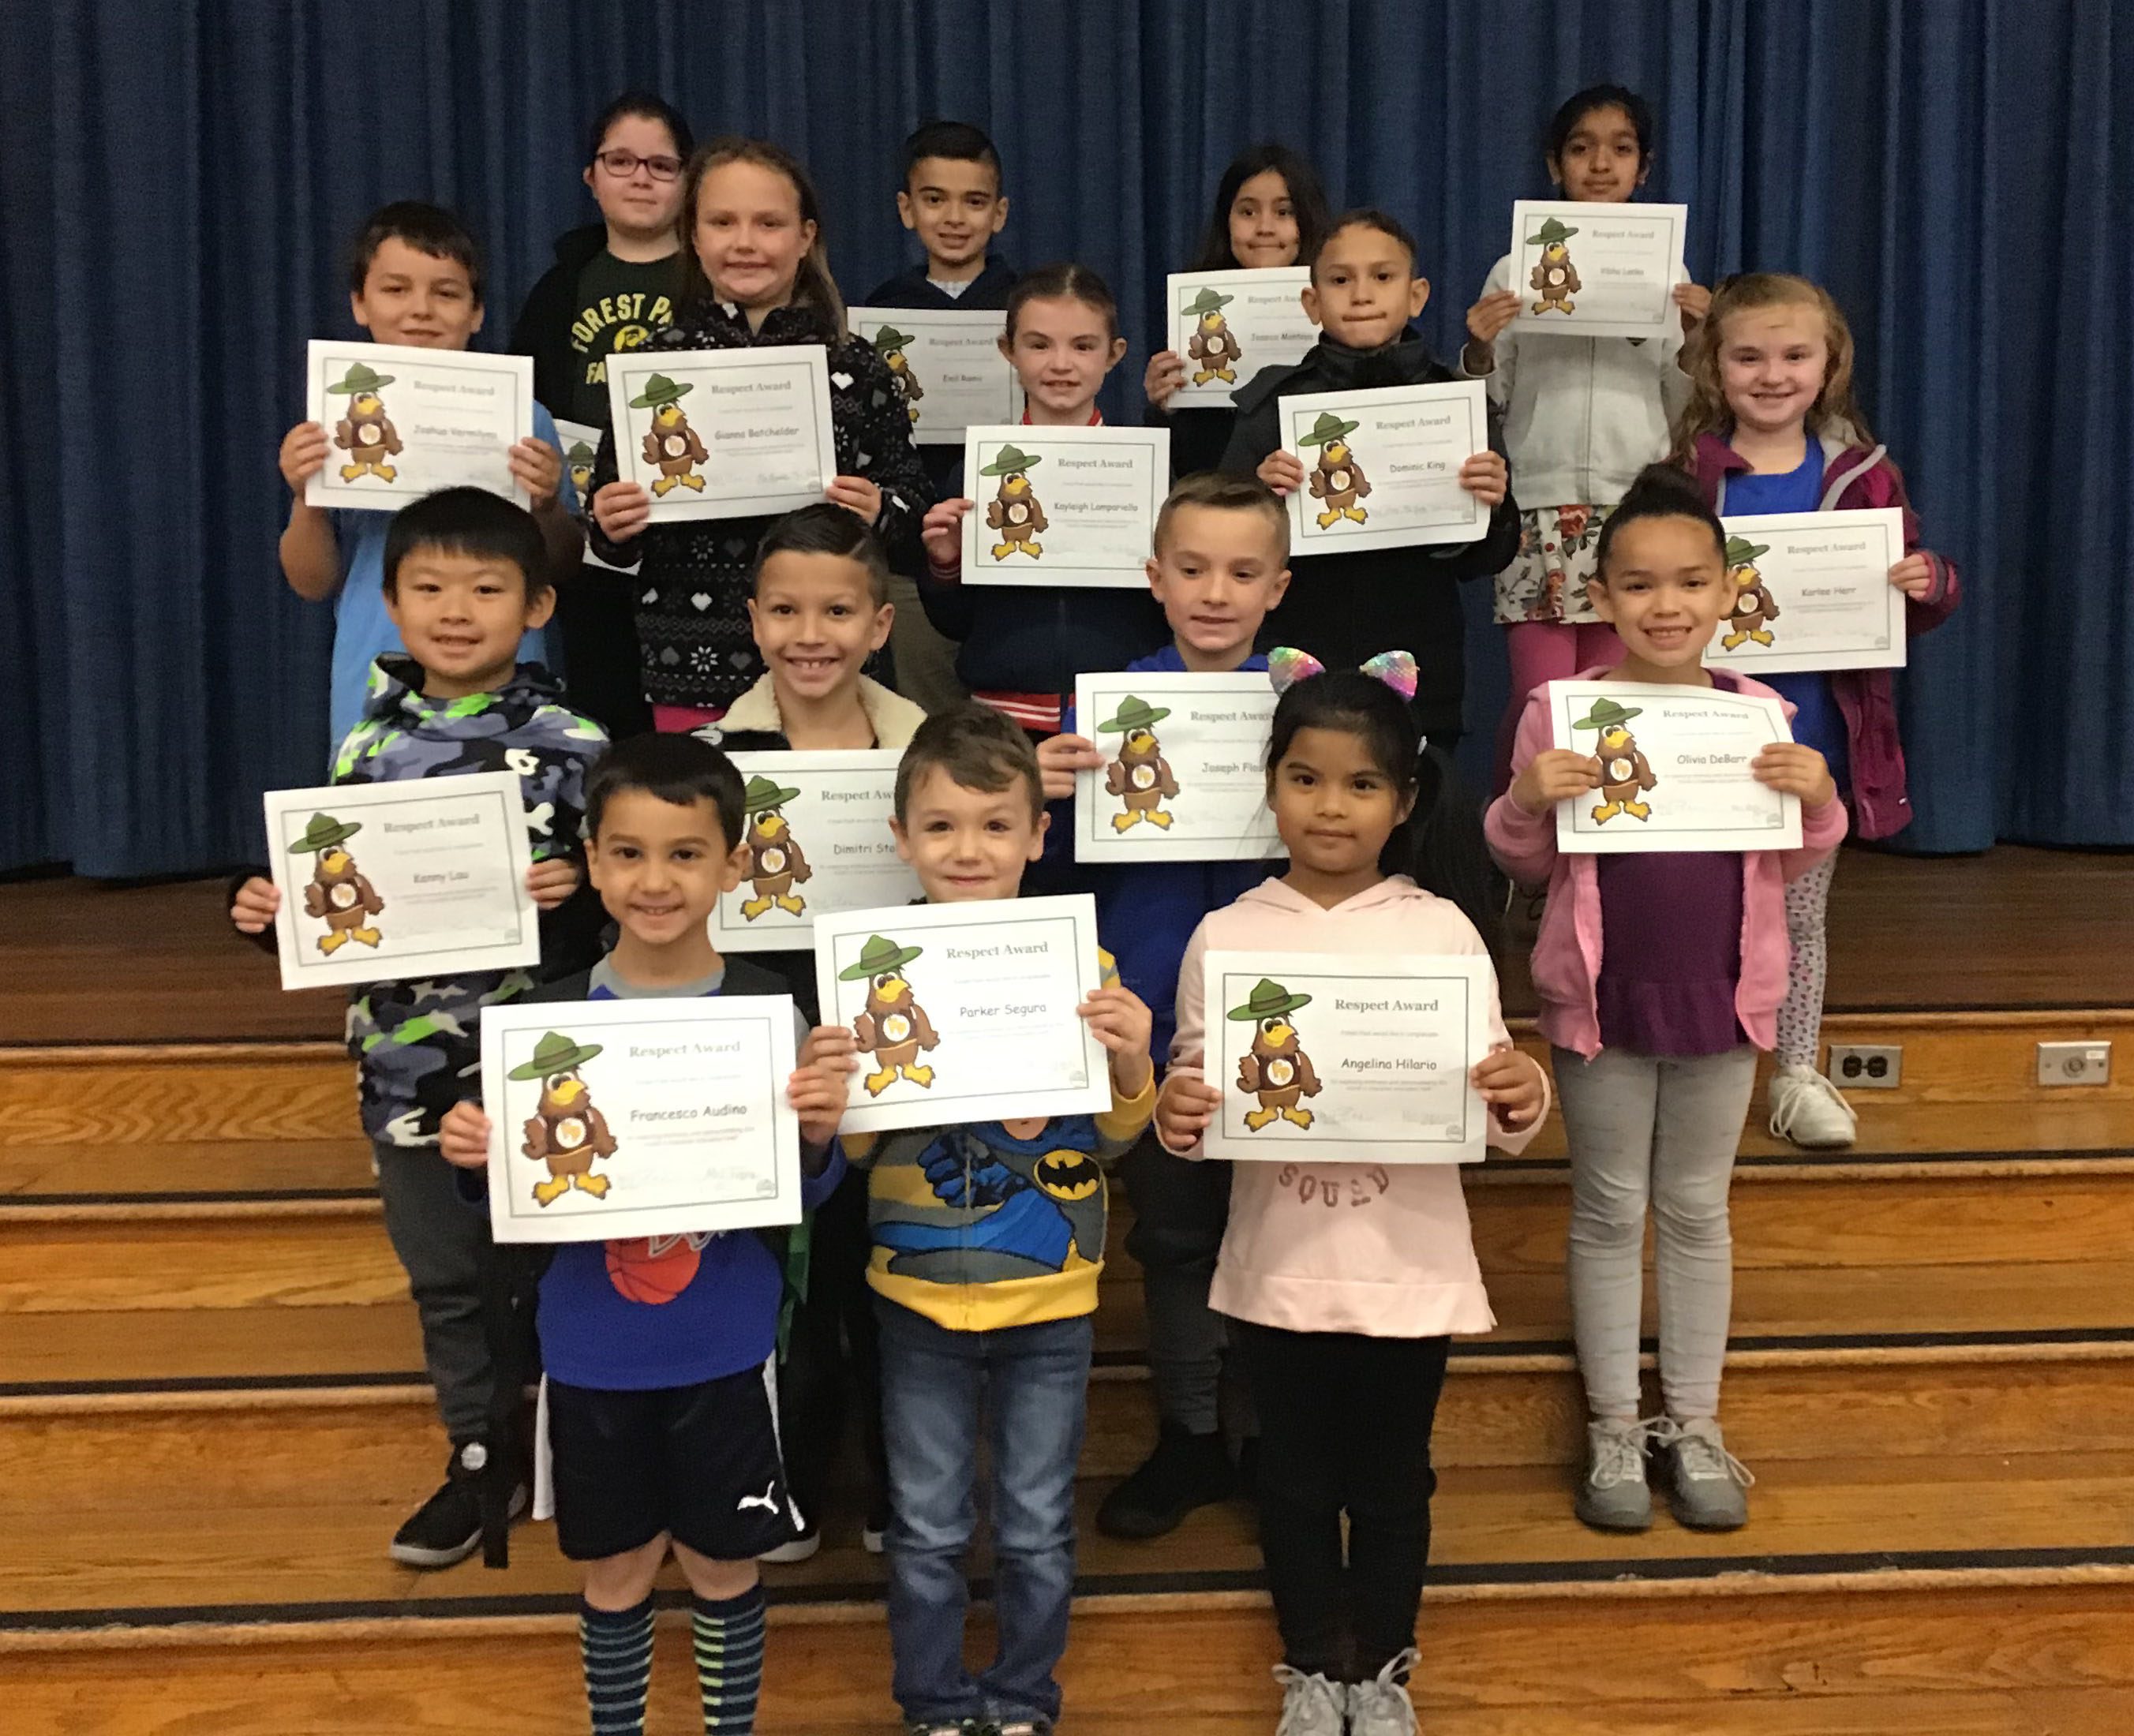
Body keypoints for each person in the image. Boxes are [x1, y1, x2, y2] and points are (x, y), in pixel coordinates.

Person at [1156, 660, 1548, 1736]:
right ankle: (1307, 1672)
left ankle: (1377, 1671)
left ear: (1406, 802)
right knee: (1286, 1484)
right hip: (1277, 1269)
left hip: (1409, 1273)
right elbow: (1194, 1096)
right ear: (1270, 785)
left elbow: (1499, 1098)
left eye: (1362, 785)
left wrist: (1524, 1093)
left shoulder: (1443, 933)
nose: (1331, 806)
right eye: (1306, 778)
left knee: (1389, 1484)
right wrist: (1175, 1114)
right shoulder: (1227, 935)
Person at [436, 732, 850, 1736]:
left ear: (734, 865)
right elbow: (505, 1209)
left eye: (684, 853)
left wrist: (820, 1132)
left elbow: (811, 1191)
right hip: (589, 1352)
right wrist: (472, 1157)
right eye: (627, 853)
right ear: (588, 859)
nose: (654, 880)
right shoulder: (540, 1021)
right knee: (614, 1566)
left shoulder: (772, 1012)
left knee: (722, 1560)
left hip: (725, 1347)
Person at [230, 487, 606, 1567]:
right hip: (405, 1067)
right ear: (390, 605)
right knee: (446, 1278)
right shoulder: (364, 746)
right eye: (429, 589)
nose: (456, 610)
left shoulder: (572, 741)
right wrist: (265, 912)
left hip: (544, 1060)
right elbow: (338, 902)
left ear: (535, 603)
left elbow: (638, 896)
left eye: (485, 589)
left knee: (561, 1268)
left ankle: (580, 1449)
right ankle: (480, 1457)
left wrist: (575, 888)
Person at [1484, 464, 1848, 1537]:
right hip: (1601, 1006)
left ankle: (1690, 1421)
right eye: (1639, 586)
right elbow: (1528, 862)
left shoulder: (1758, 713)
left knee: (1694, 1212)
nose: (1667, 605)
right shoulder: (1561, 712)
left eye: (1691, 582)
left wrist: (1820, 803)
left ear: (1729, 591)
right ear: (1602, 598)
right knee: (1607, 1212)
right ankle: (1611, 1426)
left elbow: (1790, 863)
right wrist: (1521, 802)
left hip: (1724, 1005)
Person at [843, 705, 1156, 1736]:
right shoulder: (863, 981)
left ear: (1036, 834)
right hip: (916, 1299)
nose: (966, 849)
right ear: (901, 839)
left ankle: (1023, 1699)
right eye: (939, 827)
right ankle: (933, 1706)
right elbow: (847, 1155)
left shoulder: (1089, 970)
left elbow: (1111, 1141)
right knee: (927, 1530)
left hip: (1052, 1300)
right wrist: (833, 1093)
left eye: (991, 825)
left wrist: (1132, 1065)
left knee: (1033, 1529)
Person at [1031, 473, 1293, 1539]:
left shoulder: (1308, 699)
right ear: (1155, 578)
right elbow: (1037, 884)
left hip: (1284, 1015)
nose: (1216, 593)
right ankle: (1189, 1439)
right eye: (1193, 569)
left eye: (1242, 572)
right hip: (1148, 1023)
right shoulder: (1097, 711)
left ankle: (1274, 1441)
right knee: (1178, 1240)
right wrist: (1036, 798)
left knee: (1282, 1237)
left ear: (1279, 585)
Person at [1672, 271, 1959, 1150]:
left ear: (1828, 364)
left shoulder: (1865, 479)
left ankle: (1794, 1074)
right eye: (1747, 355)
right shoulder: (1683, 475)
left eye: (1794, 354)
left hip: (1818, 737)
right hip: (1704, 735)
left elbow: (1918, 595)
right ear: (1713, 368)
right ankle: (1695, 1067)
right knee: (1696, 910)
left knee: (1796, 919)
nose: (1771, 374)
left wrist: (1925, 581)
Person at [692, 501, 927, 1565]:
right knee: (796, 1281)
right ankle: (785, 1475)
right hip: (773, 1068)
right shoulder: (713, 762)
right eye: (784, 609)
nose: (810, 633)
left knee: (890, 1282)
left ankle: (895, 1481)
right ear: (752, 621)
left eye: (837, 610)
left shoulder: (933, 755)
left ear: (880, 625)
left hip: (902, 1060)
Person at [587, 137, 930, 732]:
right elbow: (609, 529)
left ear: (804, 237)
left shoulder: (858, 366)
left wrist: (881, 509)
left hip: (835, 660)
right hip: (693, 659)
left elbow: (912, 512)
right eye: (722, 222)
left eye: (769, 223)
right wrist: (612, 527)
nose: (744, 243)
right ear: (693, 236)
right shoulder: (651, 368)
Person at [1458, 84, 1712, 792]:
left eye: (1621, 148)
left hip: (1630, 514)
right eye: (1581, 148)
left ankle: (1602, 856)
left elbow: (1682, 404)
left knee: (1617, 701)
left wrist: (1696, 343)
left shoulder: (1671, 274)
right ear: (1553, 164)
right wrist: (1479, 347)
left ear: (1645, 168)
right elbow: (1490, 397)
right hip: (1540, 508)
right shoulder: (1515, 271)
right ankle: (1524, 850)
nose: (1601, 163)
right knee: (1540, 698)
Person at [277, 204, 581, 750]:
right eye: (395, 290)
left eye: (446, 293)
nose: (421, 311)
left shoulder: (523, 416)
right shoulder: (333, 417)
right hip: (375, 670)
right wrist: (307, 501)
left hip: (505, 672)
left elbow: (562, 564)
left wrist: (547, 508)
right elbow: (312, 581)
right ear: (359, 303)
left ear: (477, 311)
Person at [1222, 209, 1519, 750]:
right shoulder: (1273, 404)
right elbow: (1223, 538)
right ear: (1312, 302)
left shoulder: (1456, 402)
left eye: (1383, 277)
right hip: (1303, 657)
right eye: (1340, 280)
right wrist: (1257, 492)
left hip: (1421, 666)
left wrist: (1493, 505)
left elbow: (1485, 561)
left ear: (1417, 295)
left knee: (1421, 817)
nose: (1361, 295)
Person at [511, 91, 697, 739]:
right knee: (607, 726)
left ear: (687, 180)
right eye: (621, 161)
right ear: (592, 177)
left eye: (661, 164)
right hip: (590, 555)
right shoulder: (561, 287)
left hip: (696, 552)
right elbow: (522, 408)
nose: (640, 177)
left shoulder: (712, 280)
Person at [915, 264, 1166, 739]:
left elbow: (1172, 607)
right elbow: (954, 623)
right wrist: (945, 565)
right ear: (1008, 350)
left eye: (1083, 346)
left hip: (1122, 715)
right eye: (1039, 344)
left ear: (1114, 355)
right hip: (1000, 721)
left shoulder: (1150, 473)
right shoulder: (972, 474)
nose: (1061, 364)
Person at [858, 118, 1019, 716]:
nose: (955, 218)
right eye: (934, 199)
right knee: (927, 724)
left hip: (1013, 551)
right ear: (906, 209)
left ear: (998, 213)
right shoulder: (878, 313)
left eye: (974, 202)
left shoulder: (1025, 304)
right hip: (912, 555)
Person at [1144, 144, 1334, 479]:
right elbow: (1185, 467)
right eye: (1248, 212)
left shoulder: (1339, 305)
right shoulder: (1189, 312)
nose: (1264, 227)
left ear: (1308, 218)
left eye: (1284, 212)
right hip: (1220, 501)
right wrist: (1165, 408)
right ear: (1226, 221)